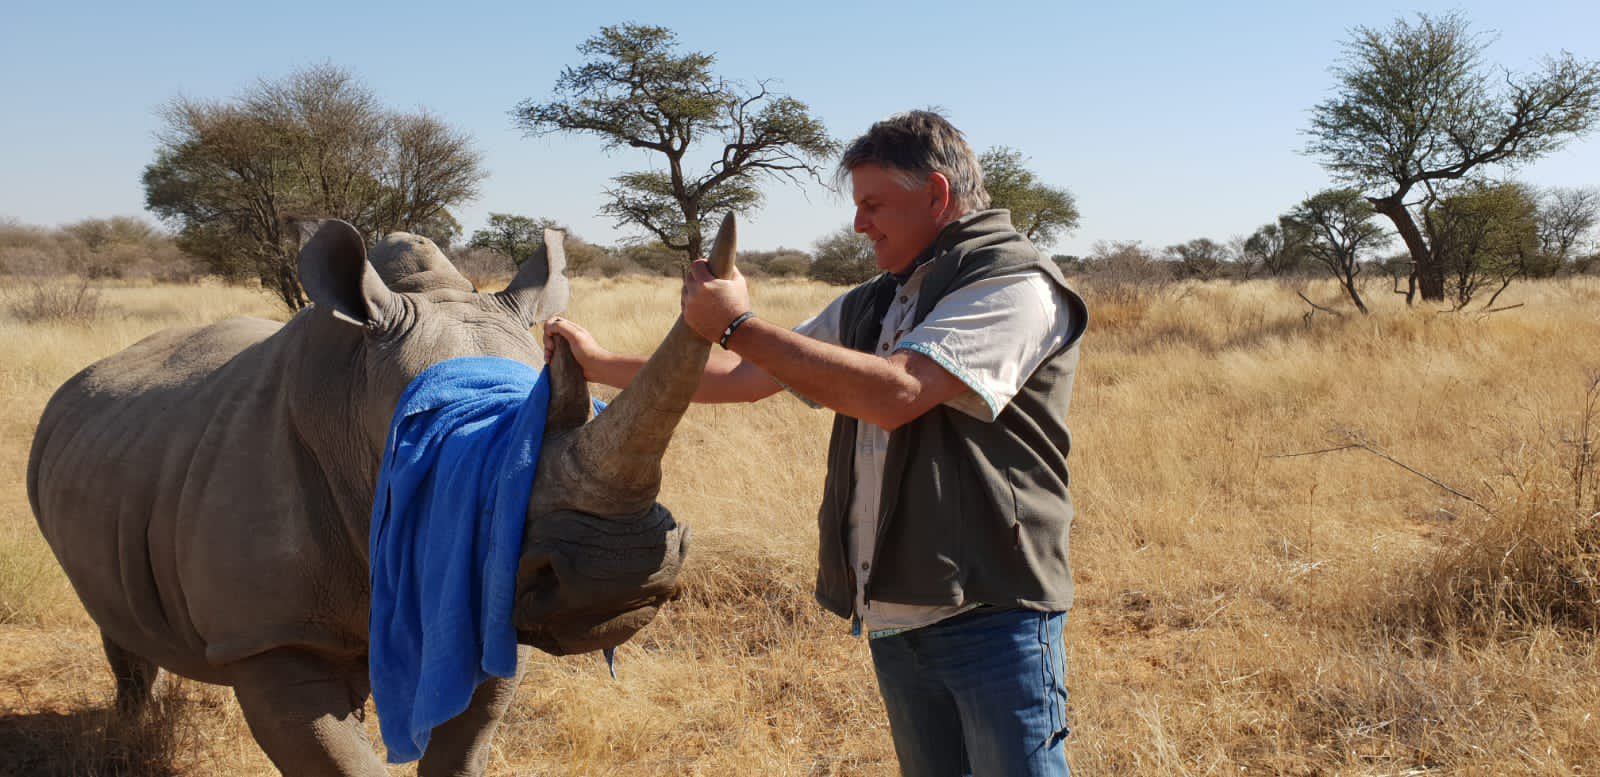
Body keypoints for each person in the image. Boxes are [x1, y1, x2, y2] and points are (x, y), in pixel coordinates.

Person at [544, 110, 1087, 777]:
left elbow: (895, 395)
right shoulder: (877, 301)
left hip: (991, 612)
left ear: (938, 196)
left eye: (874, 205)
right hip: (896, 614)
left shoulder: (1014, 285)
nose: (860, 224)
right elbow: (744, 378)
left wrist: (735, 322)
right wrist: (598, 364)